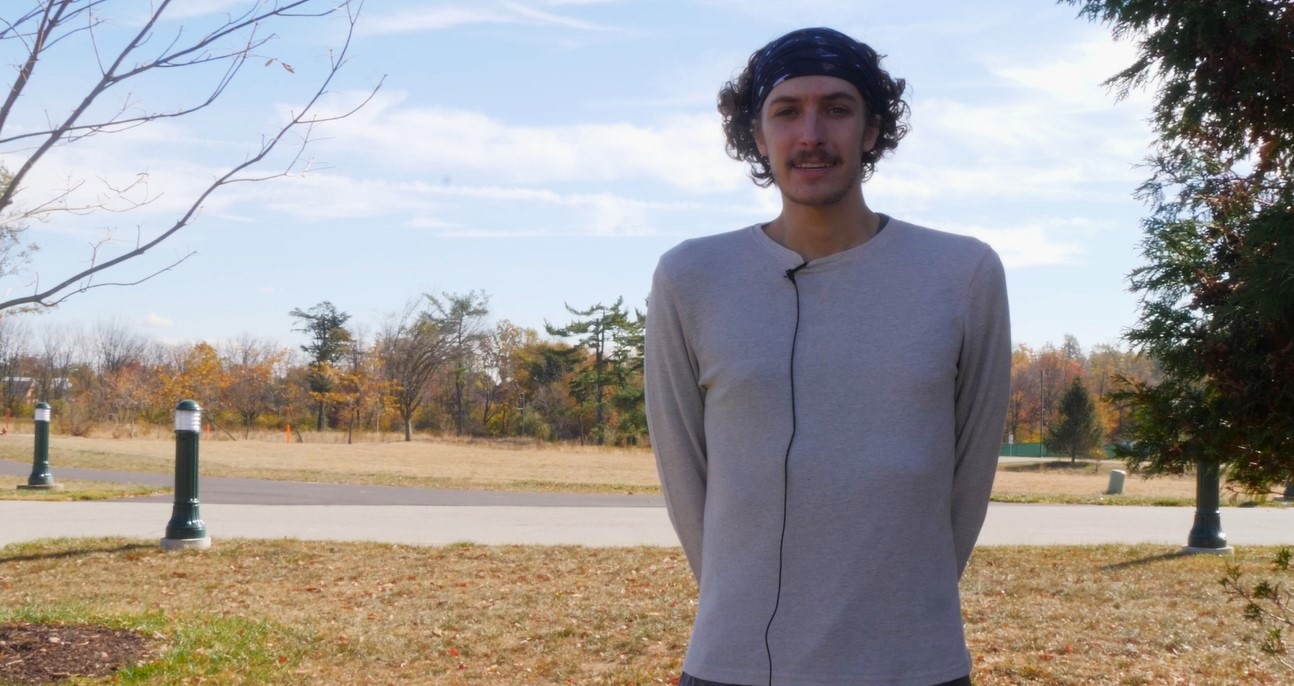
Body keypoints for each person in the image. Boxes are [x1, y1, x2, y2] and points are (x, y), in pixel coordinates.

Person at [644, 27, 1011, 686]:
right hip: (736, 667)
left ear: (872, 128)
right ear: (757, 136)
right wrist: (746, 609)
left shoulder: (963, 274)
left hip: (915, 666)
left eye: (837, 109)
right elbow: (685, 476)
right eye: (786, 111)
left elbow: (968, 478)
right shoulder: (691, 277)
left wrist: (902, 614)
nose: (811, 132)